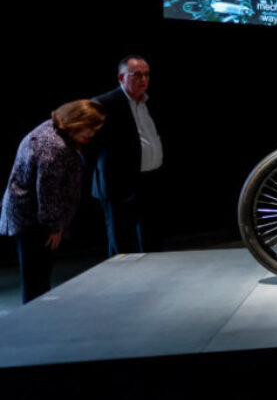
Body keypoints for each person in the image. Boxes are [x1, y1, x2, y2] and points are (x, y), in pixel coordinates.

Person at [1, 100, 106, 303]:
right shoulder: (52, 145)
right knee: (36, 281)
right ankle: (33, 325)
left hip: (35, 218)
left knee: (39, 278)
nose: (92, 134)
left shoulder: (57, 130)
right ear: (77, 122)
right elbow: (48, 194)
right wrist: (56, 227)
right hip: (33, 221)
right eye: (90, 128)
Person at [90, 56, 164, 256]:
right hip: (119, 187)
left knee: (152, 239)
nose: (144, 79)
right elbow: (89, 146)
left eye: (147, 74)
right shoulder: (104, 104)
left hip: (150, 180)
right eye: (137, 75)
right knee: (122, 244)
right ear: (121, 77)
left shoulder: (150, 101)